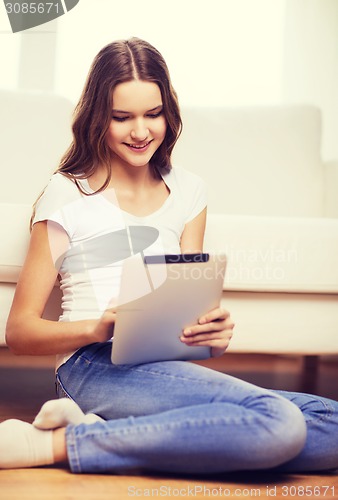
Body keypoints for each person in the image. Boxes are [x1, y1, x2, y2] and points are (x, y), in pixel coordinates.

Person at [1, 37, 338, 474]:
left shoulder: (189, 192)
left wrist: (210, 337)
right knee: (281, 425)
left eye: (153, 114)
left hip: (163, 366)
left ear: (169, 113)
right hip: (92, 365)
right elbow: (19, 332)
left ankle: (101, 433)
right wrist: (98, 326)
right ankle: (56, 446)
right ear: (96, 118)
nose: (141, 132)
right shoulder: (67, 193)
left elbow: (187, 318)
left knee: (329, 422)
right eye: (122, 117)